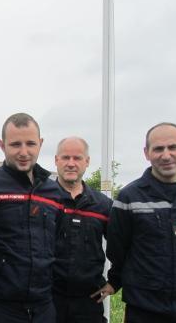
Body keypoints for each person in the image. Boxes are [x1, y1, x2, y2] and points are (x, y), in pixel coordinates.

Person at [105, 122, 176, 323]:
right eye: (158, 148)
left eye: (173, 147)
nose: (166, 155)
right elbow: (118, 251)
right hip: (145, 310)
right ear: (146, 153)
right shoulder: (129, 198)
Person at [0, 113, 60, 323]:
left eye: (30, 144)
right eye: (15, 144)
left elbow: (58, 246)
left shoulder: (53, 192)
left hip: (43, 308)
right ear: (2, 145)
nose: (24, 152)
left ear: (41, 144)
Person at [51, 137, 112, 323]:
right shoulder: (42, 200)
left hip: (89, 301)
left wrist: (116, 281)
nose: (71, 164)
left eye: (77, 158)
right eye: (65, 157)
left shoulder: (103, 205)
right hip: (48, 299)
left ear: (87, 162)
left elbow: (123, 245)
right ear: (56, 160)